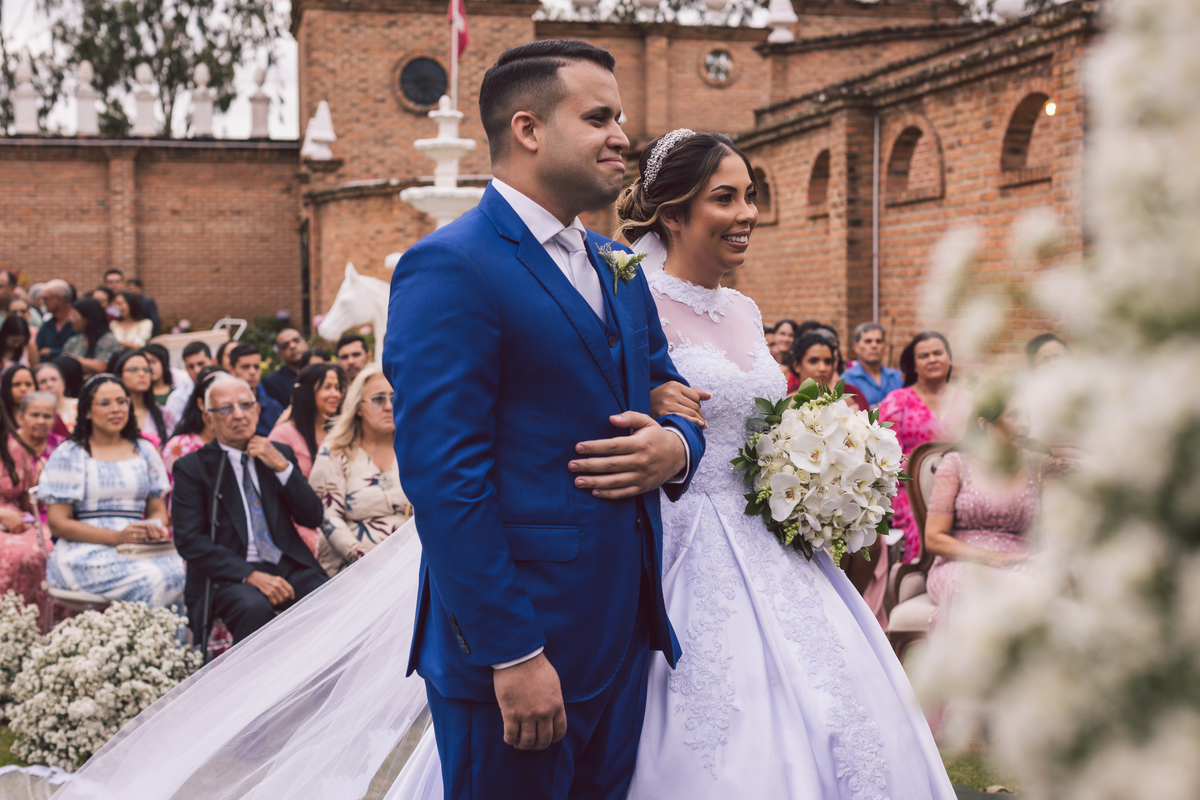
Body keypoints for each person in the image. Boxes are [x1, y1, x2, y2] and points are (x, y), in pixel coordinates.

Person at [171, 373, 329, 643]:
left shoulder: (277, 454)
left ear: (258, 410)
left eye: (246, 405)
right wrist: (249, 575)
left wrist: (282, 467)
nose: (238, 415)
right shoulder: (193, 468)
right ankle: (262, 685)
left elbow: (312, 516)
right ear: (208, 418)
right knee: (254, 607)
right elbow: (189, 540)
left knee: (327, 595)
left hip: (286, 564)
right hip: (228, 576)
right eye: (225, 408)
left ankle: (321, 680)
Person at [38, 374, 185, 607]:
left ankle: (154, 642)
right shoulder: (69, 454)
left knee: (180, 571)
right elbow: (57, 523)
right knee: (155, 580)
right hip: (84, 552)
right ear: (86, 411)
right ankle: (144, 643)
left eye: (121, 401)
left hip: (138, 547)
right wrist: (116, 537)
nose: (116, 409)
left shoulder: (145, 451)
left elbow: (157, 510)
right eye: (105, 403)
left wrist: (154, 527)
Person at [925, 385, 1051, 622]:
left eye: (1028, 416)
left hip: (1022, 564)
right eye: (1014, 415)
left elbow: (1063, 532)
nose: (1025, 424)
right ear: (986, 424)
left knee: (1025, 587)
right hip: (960, 563)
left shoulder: (1041, 466)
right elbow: (934, 538)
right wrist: (991, 558)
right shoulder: (955, 465)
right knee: (981, 587)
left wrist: (1039, 561)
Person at [879, 331, 974, 564]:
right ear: (914, 365)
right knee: (924, 525)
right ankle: (922, 576)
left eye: (938, 353)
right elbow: (885, 454)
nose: (932, 359)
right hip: (910, 490)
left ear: (949, 359)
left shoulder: (971, 401)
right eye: (924, 355)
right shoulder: (897, 400)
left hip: (965, 485)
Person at [309, 365, 408, 575]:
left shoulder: (411, 449)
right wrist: (362, 556)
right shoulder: (335, 452)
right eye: (378, 399)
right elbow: (327, 517)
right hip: (353, 568)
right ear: (358, 407)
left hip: (407, 564)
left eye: (393, 397)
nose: (389, 406)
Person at [268, 363, 346, 556]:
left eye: (337, 387)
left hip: (341, 516)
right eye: (327, 387)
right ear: (307, 391)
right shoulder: (283, 435)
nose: (335, 394)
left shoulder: (339, 432)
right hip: (301, 524)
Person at [0, 392, 48, 608]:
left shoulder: (12, 447)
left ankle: (43, 625)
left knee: (49, 545)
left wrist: (40, 483)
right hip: (6, 521)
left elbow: (26, 503)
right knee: (21, 555)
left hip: (19, 522)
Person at [161, 366, 224, 476]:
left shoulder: (244, 444)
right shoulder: (179, 447)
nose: (235, 412)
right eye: (222, 402)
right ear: (201, 404)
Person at [787, 331, 871, 411]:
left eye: (828, 362)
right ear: (796, 365)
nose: (822, 368)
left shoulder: (845, 403)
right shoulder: (786, 406)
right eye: (813, 361)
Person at [110, 350, 171, 447]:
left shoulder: (163, 414)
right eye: (134, 370)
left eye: (147, 370)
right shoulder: (112, 413)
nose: (142, 374)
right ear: (119, 375)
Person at [843, 321, 903, 408]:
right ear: (856, 347)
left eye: (878, 341)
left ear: (884, 346)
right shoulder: (846, 381)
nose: (874, 345)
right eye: (868, 341)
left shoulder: (898, 377)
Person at [228, 343, 282, 436]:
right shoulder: (223, 408)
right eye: (245, 367)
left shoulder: (274, 408)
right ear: (231, 370)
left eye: (256, 367)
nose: (252, 372)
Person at [63, 298, 122, 376]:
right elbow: (63, 362)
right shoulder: (74, 340)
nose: (70, 320)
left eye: (74, 315)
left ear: (87, 318)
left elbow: (101, 366)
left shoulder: (107, 339)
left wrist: (71, 359)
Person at [164, 341, 213, 425]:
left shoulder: (229, 387)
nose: (197, 370)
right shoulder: (177, 398)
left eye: (201, 364)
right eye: (191, 366)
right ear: (185, 368)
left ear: (213, 361)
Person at [261, 328, 308, 408]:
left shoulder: (323, 372)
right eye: (285, 346)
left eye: (296, 341)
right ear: (279, 354)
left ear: (305, 343)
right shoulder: (272, 382)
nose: (292, 346)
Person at [16, 390, 64, 466]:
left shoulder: (62, 447)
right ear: (20, 418)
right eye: (35, 415)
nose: (41, 421)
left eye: (47, 416)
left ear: (54, 420)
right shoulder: (5, 444)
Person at [34, 280, 75, 360]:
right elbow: (37, 350)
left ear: (59, 300)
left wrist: (51, 352)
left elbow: (79, 352)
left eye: (45, 298)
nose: (43, 302)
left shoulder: (77, 324)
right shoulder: (47, 325)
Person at [34, 361, 77, 436]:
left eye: (54, 379)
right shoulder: (32, 412)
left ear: (63, 383)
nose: (49, 385)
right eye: (43, 381)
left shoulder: (80, 406)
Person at [0, 366, 35, 433]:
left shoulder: (47, 414)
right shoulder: (1, 418)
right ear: (7, 388)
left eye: (28, 384)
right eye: (16, 384)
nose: (23, 389)